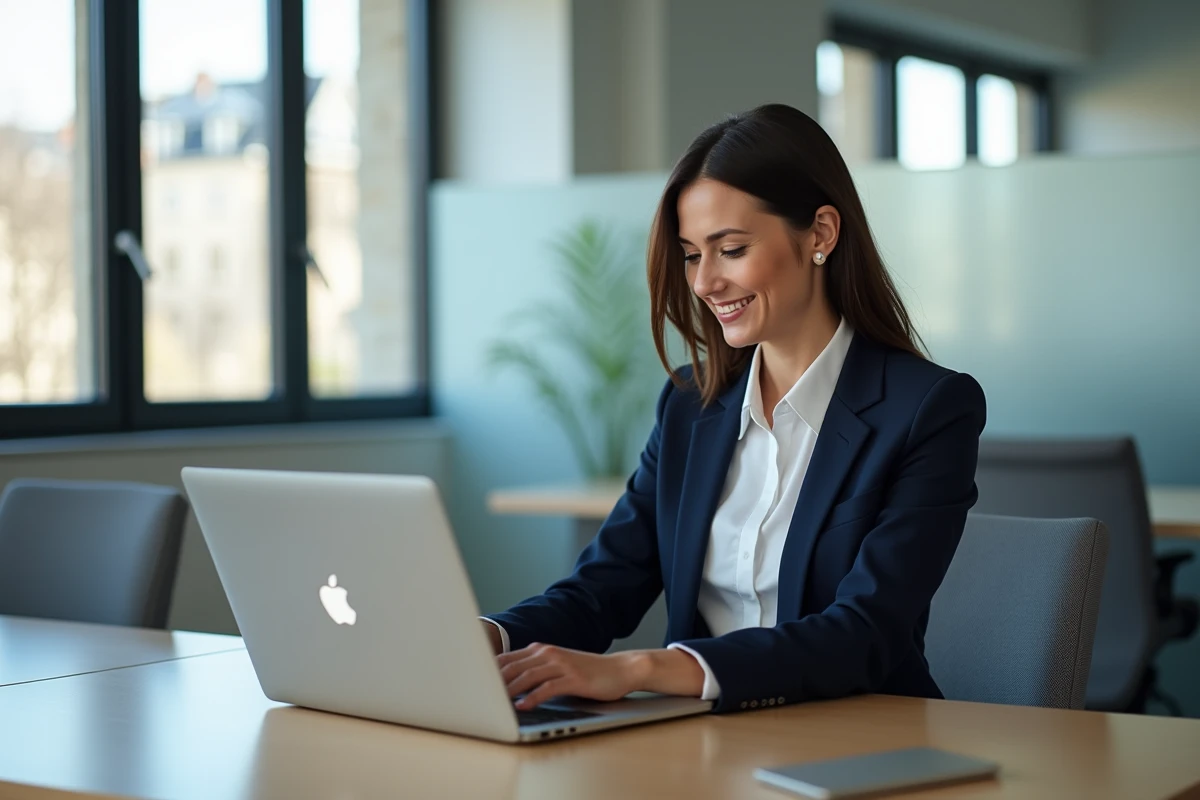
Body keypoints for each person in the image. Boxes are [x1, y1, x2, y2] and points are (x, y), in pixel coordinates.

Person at [482, 103, 987, 715]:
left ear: (821, 234)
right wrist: (490, 639)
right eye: (693, 254)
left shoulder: (928, 408)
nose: (703, 283)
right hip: (705, 743)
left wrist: (643, 667)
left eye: (731, 249)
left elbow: (865, 632)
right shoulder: (689, 406)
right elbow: (602, 587)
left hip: (861, 737)